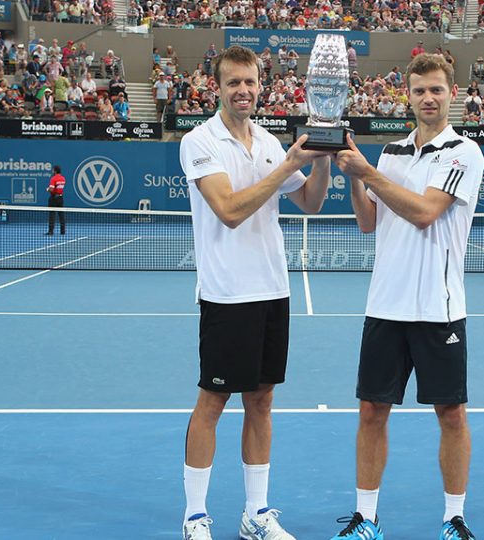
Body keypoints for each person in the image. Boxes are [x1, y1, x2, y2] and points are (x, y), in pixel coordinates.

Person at [177, 45, 332, 540]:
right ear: (217, 88)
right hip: (226, 295)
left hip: (272, 291)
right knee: (213, 402)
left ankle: (256, 514)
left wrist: (325, 157)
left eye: (250, 82)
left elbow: (309, 202)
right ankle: (196, 516)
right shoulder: (199, 141)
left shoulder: (266, 142)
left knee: (261, 402)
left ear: (260, 86)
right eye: (233, 83)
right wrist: (287, 165)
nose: (243, 91)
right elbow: (229, 209)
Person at [330, 53, 484, 540]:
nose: (428, 98)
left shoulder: (465, 152)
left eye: (436, 89)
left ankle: (454, 517)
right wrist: (355, 175)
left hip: (438, 309)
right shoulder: (392, 152)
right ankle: (367, 518)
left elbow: (423, 213)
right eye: (419, 91)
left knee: (451, 414)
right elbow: (368, 221)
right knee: (371, 411)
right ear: (409, 96)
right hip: (385, 306)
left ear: (451, 93)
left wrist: (368, 173)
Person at [45, 165, 66, 235]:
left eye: (53, 170)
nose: (52, 171)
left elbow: (51, 189)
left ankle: (51, 231)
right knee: (61, 215)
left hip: (54, 198)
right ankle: (63, 231)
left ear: (55, 171)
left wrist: (47, 189)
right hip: (60, 198)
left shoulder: (53, 179)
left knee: (52, 215)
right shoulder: (63, 178)